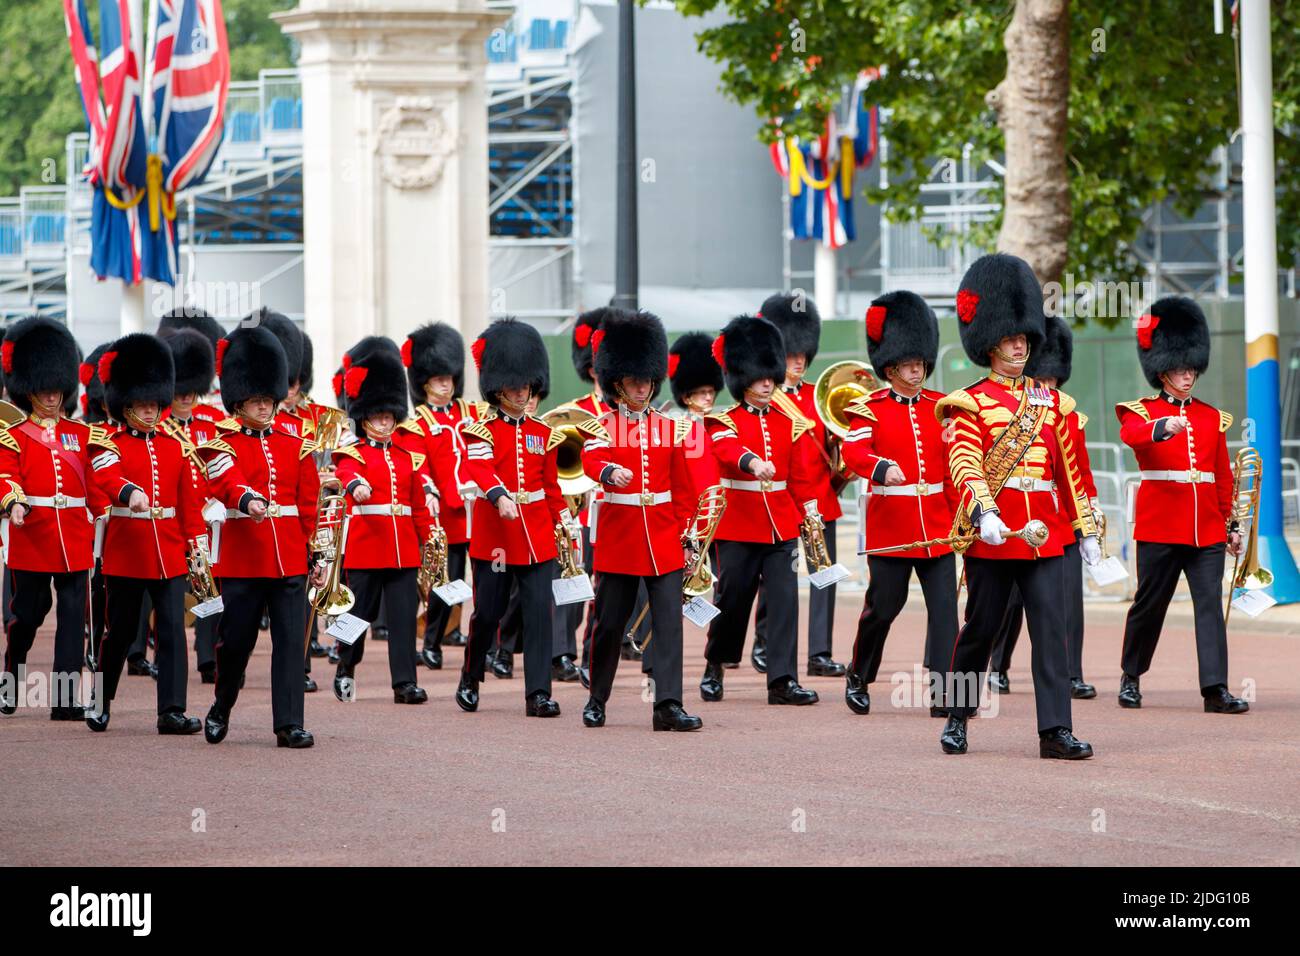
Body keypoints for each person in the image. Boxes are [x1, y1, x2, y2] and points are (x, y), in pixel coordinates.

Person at [935, 253, 1100, 759]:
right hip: (996, 536)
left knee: (1051, 630)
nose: (1021, 345)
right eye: (1012, 339)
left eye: (1025, 338)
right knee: (981, 629)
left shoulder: (1052, 405)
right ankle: (957, 716)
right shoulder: (970, 402)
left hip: (1046, 535)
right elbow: (963, 461)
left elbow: (1071, 468)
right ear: (991, 344)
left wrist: (1087, 529)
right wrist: (984, 511)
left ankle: (1055, 731)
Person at [1115, 296, 1248, 714]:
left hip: (1206, 527)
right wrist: (1160, 428)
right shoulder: (1142, 412)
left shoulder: (1212, 418)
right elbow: (1131, 436)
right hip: (1160, 527)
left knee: (1209, 604)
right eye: (1178, 369)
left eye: (1191, 369)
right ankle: (1131, 676)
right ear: (1162, 370)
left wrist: (1232, 524)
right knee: (1149, 604)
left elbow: (1222, 476)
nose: (1187, 376)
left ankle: (1215, 689)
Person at [196, 325, 324, 749]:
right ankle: (221, 705)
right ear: (240, 401)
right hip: (244, 559)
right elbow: (224, 479)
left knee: (291, 644)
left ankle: (288, 723)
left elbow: (309, 503)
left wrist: (317, 553)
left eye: (269, 400)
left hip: (288, 556)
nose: (265, 407)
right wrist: (247, 498)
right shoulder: (222, 441)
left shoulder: (295, 440)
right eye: (257, 400)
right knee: (236, 642)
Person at [577, 309, 702, 731]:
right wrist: (610, 472)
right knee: (609, 624)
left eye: (647, 380)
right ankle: (597, 697)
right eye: (634, 381)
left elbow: (684, 488)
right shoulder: (605, 425)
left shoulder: (670, 428)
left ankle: (667, 704)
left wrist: (685, 531)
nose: (642, 387)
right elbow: (591, 458)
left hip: (663, 537)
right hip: (621, 537)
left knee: (668, 623)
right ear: (618, 383)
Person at [0, 317, 129, 721]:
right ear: (29, 389)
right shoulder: (15, 434)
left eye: (57, 389)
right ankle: (10, 677)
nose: (52, 396)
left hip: (74, 537)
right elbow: (5, 476)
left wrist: (107, 511)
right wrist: (13, 503)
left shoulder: (80, 433)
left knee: (73, 621)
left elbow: (93, 482)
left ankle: (64, 698)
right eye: (44, 389)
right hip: (34, 536)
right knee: (27, 618)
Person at [840, 290, 958, 716]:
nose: (918, 368)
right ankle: (860, 672)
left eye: (921, 362)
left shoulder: (943, 407)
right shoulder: (869, 408)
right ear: (890, 367)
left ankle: (945, 692)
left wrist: (966, 515)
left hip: (938, 527)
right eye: (909, 363)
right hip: (892, 527)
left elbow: (953, 465)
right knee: (883, 609)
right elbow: (853, 451)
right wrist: (878, 468)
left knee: (946, 613)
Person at [699, 314, 823, 706]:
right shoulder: (724, 420)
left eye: (771, 375)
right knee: (732, 600)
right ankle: (716, 663)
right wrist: (753, 463)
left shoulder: (790, 423)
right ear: (742, 378)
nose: (769, 382)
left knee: (785, 600)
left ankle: (782, 680)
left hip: (781, 524)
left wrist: (811, 516)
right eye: (760, 376)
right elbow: (726, 449)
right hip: (738, 524)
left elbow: (801, 478)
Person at [85, 334, 206, 734]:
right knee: (119, 633)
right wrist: (128, 492)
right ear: (127, 405)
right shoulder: (109, 442)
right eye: (142, 404)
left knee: (172, 629)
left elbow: (189, 503)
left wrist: (197, 544)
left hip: (168, 552)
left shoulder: (176, 447)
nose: (151, 411)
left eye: (155, 404)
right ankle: (101, 700)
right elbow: (106, 474)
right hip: (127, 552)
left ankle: (171, 709)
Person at [456, 318, 565, 718]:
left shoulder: (544, 431)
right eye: (515, 386)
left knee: (539, 612)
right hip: (496, 535)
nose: (523, 393)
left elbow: (551, 486)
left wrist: (563, 521)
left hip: (536, 533)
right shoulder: (479, 430)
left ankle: (538, 693)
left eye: (527, 386)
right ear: (498, 387)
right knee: (489, 612)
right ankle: (470, 675)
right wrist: (499, 496)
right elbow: (480, 470)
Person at [985, 315, 1099, 699]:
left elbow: (1077, 470)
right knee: (1008, 604)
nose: (1049, 385)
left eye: (1054, 379)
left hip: (1058, 520)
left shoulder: (1066, 412)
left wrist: (1089, 518)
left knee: (1066, 603)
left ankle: (1070, 673)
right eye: (1044, 378)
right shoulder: (995, 406)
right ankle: (997, 665)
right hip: (1014, 520)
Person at [331, 349, 437, 704]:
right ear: (364, 418)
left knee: (404, 619)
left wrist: (426, 541)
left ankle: (404, 683)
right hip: (366, 548)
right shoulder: (352, 453)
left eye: (390, 415)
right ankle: (345, 666)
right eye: (378, 416)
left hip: (403, 548)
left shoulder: (407, 456)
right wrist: (355, 486)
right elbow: (346, 473)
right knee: (358, 615)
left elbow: (417, 505)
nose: (386, 422)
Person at [756, 293, 845, 678]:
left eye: (802, 355)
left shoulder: (818, 397)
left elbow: (832, 444)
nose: (798, 361)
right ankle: (765, 643)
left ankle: (819, 652)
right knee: (775, 581)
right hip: (782, 503)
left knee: (824, 577)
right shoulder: (767, 401)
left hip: (820, 500)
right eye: (792, 354)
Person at [399, 322, 478, 670]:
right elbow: (419, 465)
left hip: (478, 509)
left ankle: (470, 638)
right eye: (438, 379)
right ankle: (432, 641)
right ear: (424, 383)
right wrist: (429, 490)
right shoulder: (419, 422)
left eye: (449, 378)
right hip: (446, 513)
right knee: (447, 581)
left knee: (483, 584)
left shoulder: (469, 412)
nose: (446, 384)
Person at [158, 327, 224, 684]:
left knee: (207, 583)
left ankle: (207, 656)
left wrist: (216, 501)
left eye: (189, 390)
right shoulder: (161, 425)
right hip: (172, 519)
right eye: (179, 390)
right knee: (166, 595)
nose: (185, 397)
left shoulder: (211, 422)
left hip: (206, 518)